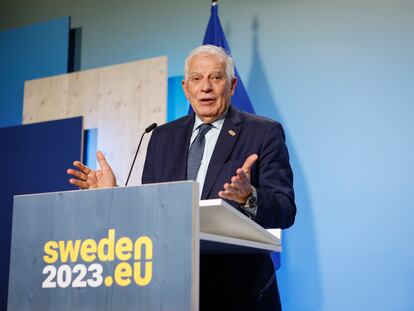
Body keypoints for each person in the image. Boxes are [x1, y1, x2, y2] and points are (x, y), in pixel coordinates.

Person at [67, 44, 296, 311]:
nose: (206, 87)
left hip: (239, 290)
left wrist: (249, 196)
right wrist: (113, 193)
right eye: (197, 79)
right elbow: (151, 209)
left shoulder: (263, 132)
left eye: (216, 77)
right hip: (171, 286)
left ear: (232, 86)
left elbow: (285, 209)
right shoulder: (161, 137)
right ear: (186, 89)